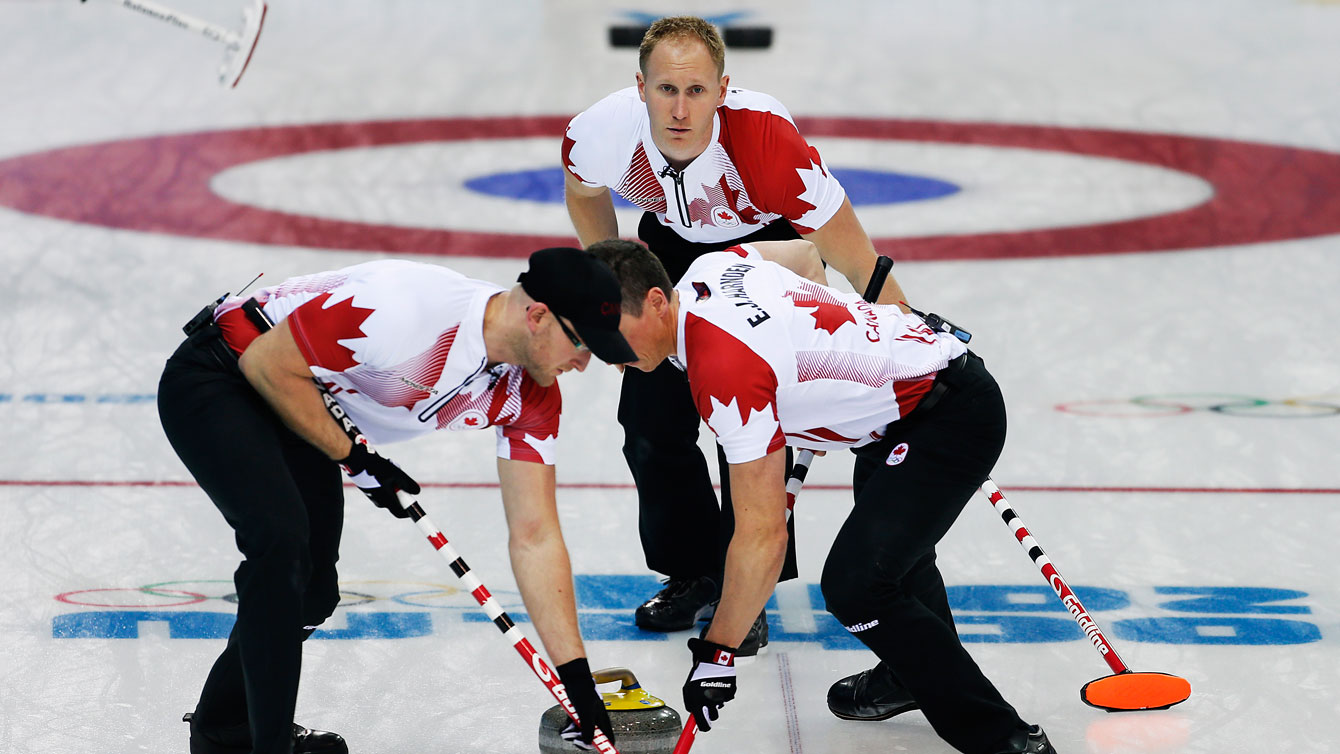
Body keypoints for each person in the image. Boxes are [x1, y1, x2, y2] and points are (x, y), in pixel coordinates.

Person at [587, 238, 1057, 754]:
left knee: (858, 587)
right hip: (897, 411)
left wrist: (717, 650)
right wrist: (824, 380)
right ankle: (909, 676)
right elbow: (808, 256)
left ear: (656, 300)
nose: (610, 360)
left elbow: (762, 537)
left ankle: (1004, 739)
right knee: (898, 563)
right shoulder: (712, 267)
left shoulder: (724, 375)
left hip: (948, 416)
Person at [157, 249, 632, 754]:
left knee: (313, 593)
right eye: (580, 343)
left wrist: (576, 681)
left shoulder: (531, 394)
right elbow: (265, 364)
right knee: (280, 546)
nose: (583, 364)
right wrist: (358, 460)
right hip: (227, 371)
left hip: (304, 396)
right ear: (536, 316)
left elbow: (536, 537)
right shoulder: (407, 309)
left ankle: (225, 728)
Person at [562, 15, 910, 650]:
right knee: (649, 421)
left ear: (724, 90)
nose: (680, 108)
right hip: (666, 254)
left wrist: (908, 336)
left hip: (764, 254)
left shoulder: (769, 147)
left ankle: (745, 585)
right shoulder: (600, 133)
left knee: (744, 421)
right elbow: (583, 194)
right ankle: (696, 571)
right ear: (639, 87)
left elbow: (859, 260)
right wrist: (612, 295)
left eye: (696, 91)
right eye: (666, 89)